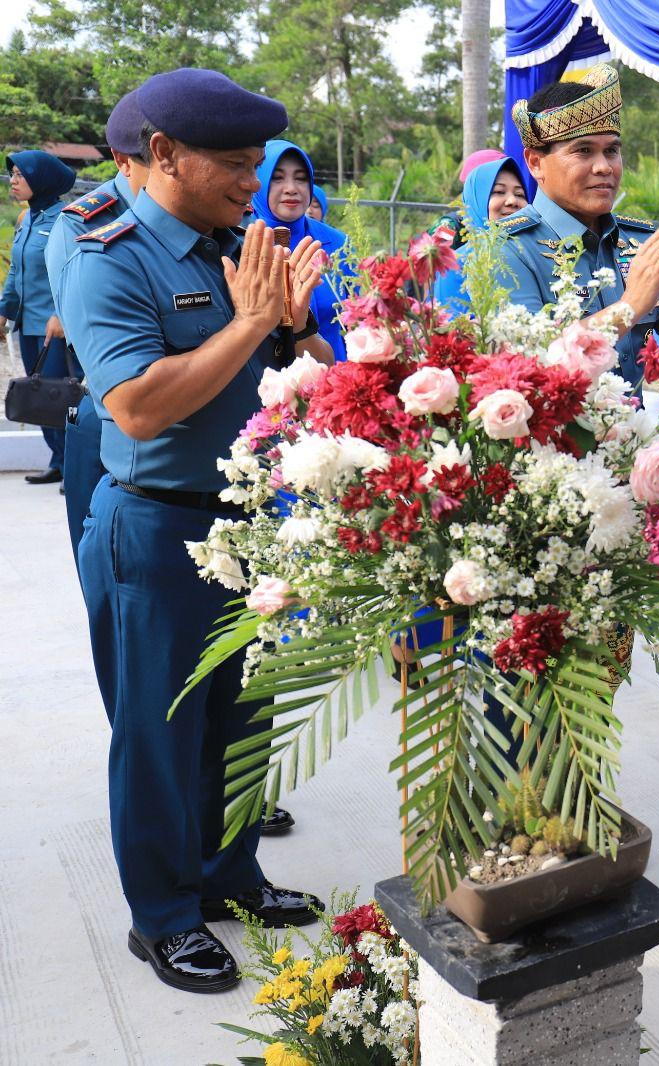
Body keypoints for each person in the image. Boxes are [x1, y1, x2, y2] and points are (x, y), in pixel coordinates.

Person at [58, 67, 329, 994]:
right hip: (158, 527)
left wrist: (285, 331)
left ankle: (228, 877)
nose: (252, 181)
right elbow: (135, 406)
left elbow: (284, 361)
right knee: (160, 733)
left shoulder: (234, 239)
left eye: (258, 163)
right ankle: (165, 916)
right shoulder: (104, 249)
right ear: (162, 153)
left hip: (253, 522)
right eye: (232, 163)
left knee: (242, 717)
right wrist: (252, 323)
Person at [500, 66, 659, 385]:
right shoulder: (509, 248)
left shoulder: (638, 244)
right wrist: (630, 306)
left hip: (633, 434)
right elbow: (532, 362)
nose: (604, 167)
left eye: (612, 150)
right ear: (535, 163)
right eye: (583, 151)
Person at [47, 92, 149, 561]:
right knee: (105, 562)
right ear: (123, 160)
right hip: (105, 407)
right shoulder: (84, 223)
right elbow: (89, 331)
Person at [2, 147, 76, 484]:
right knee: (37, 397)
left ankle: (74, 465)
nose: (13, 181)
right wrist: (3, 311)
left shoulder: (67, 218)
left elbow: (75, 272)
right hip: (26, 323)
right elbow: (16, 271)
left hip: (56, 328)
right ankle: (59, 462)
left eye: (21, 175)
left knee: (58, 397)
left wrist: (61, 314)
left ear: (42, 180)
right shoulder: (25, 218)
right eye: (13, 175)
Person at [250, 139, 352, 360]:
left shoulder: (338, 244)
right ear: (258, 181)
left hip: (334, 381)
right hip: (266, 386)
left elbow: (361, 322)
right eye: (277, 178)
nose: (291, 189)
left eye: (301, 179)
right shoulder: (241, 242)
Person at [433, 156, 528, 315]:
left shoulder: (536, 253)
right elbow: (433, 261)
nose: (512, 201)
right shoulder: (450, 227)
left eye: (520, 194)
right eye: (498, 191)